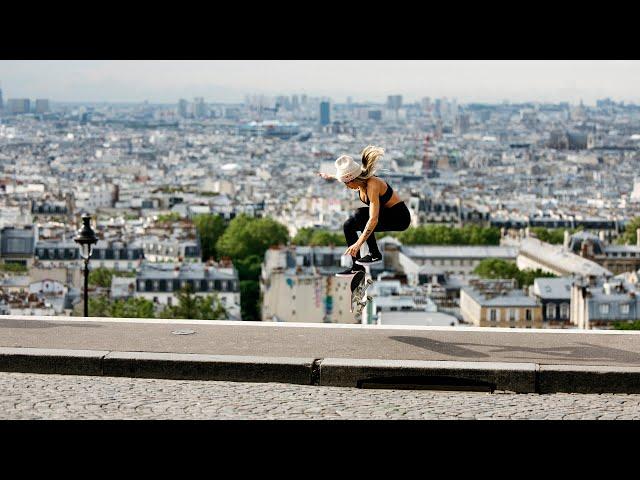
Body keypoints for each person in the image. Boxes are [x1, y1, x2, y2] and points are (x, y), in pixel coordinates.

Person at [316, 145, 411, 277]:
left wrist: (358, 243)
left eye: (346, 183)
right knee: (348, 225)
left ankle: (374, 254)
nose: (347, 187)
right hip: (386, 215)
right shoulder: (358, 182)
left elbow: (373, 219)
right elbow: (344, 177)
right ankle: (356, 267)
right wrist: (330, 176)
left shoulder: (373, 185)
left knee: (360, 214)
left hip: (399, 218)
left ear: (353, 179)